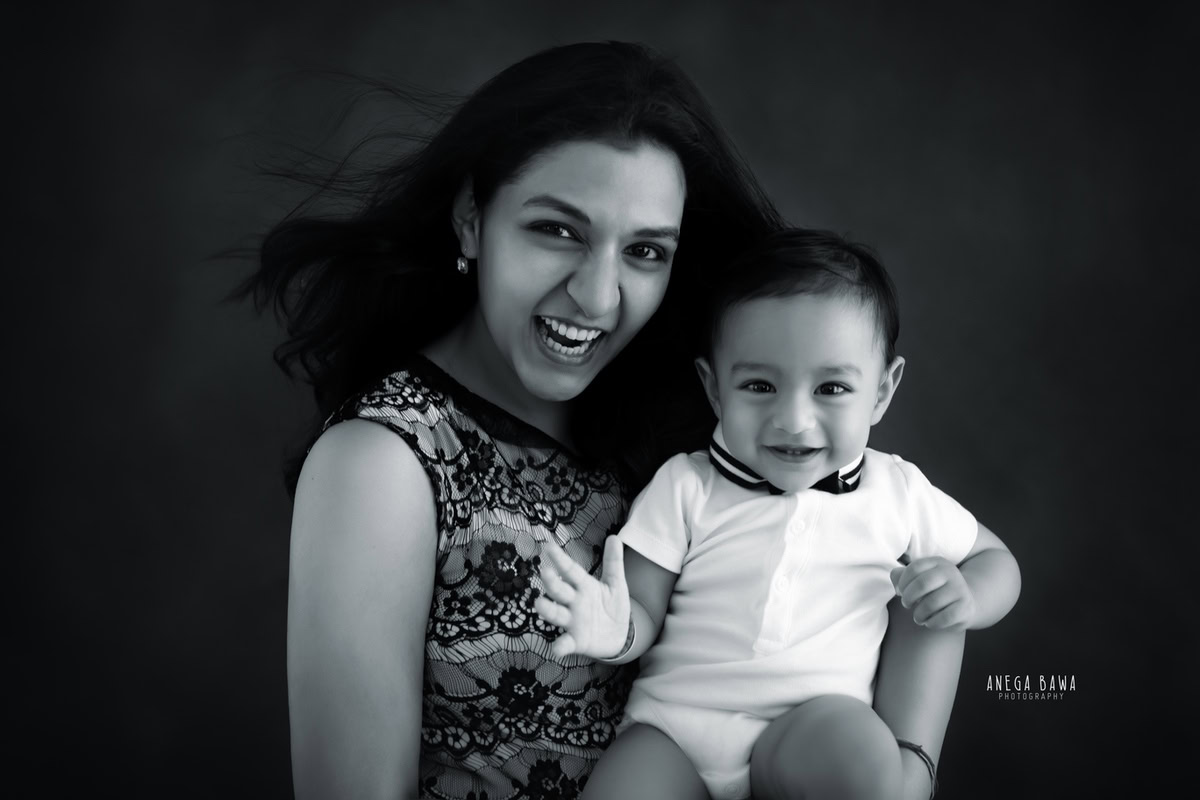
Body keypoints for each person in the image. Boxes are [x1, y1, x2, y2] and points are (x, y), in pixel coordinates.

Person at [244, 42, 967, 800]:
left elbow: (907, 576)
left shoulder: (704, 418)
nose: (598, 296)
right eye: (558, 231)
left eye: (645, 251)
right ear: (471, 220)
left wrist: (908, 767)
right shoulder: (384, 461)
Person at [535, 228, 1023, 800]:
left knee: (861, 759)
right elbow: (641, 606)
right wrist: (614, 629)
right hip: (676, 729)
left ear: (882, 391)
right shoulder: (687, 485)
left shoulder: (897, 493)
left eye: (832, 388)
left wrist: (970, 597)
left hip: (810, 727)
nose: (793, 420)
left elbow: (996, 560)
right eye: (760, 385)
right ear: (715, 388)